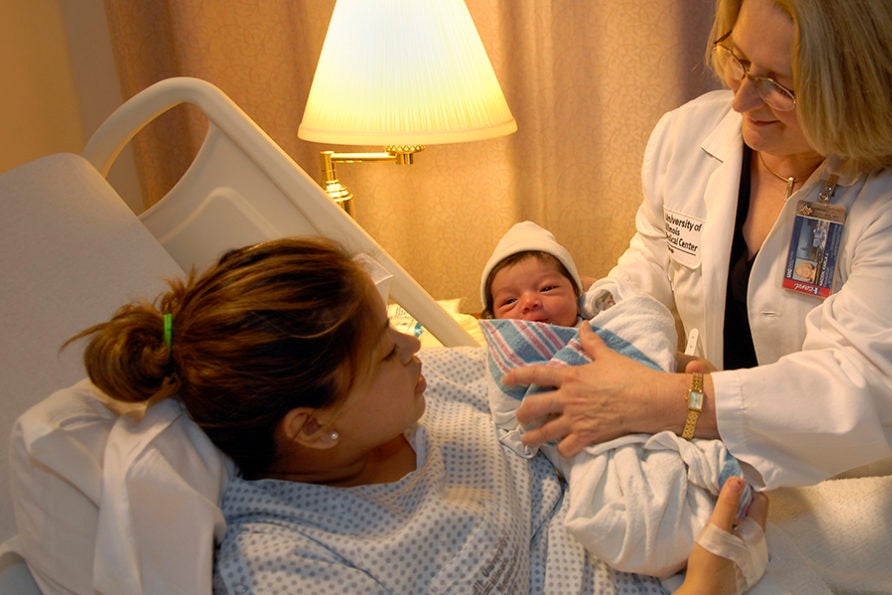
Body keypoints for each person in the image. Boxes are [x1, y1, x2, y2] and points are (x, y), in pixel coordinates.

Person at [70, 237, 769, 594]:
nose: (413, 345)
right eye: (384, 350)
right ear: (312, 426)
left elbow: (573, 390)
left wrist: (666, 393)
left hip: (677, 518)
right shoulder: (292, 561)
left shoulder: (436, 388)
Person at [506, 0, 892, 493]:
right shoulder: (688, 136)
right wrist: (596, 312)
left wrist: (670, 399)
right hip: (733, 471)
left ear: (868, 90)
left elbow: (860, 387)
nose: (740, 100)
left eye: (783, 86)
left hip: (886, 486)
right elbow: (657, 255)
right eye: (740, 60)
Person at [479, 221, 756, 578]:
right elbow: (511, 413)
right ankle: (696, 541)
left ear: (577, 292)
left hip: (654, 416)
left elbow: (643, 325)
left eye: (547, 287)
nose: (531, 302)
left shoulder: (605, 324)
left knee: (679, 456)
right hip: (590, 446)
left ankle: (708, 521)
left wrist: (612, 303)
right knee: (623, 507)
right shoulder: (508, 349)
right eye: (510, 300)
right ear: (493, 319)